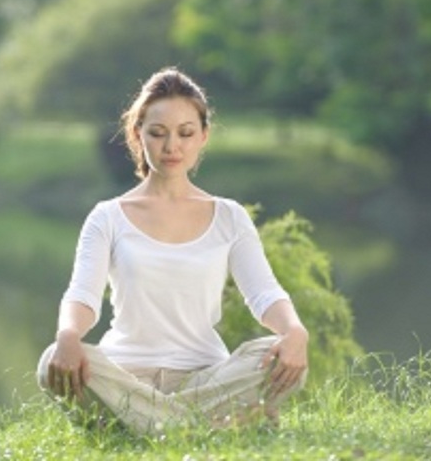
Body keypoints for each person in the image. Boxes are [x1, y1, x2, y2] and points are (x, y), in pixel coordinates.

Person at [37, 67, 308, 434]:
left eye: (185, 133)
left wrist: (295, 331)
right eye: (158, 133)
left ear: (203, 136)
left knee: (281, 356)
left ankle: (136, 426)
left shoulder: (229, 217)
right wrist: (68, 335)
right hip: (125, 377)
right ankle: (214, 426)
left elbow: (263, 294)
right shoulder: (108, 217)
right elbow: (82, 297)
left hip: (206, 378)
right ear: (137, 135)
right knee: (52, 360)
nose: (171, 147)